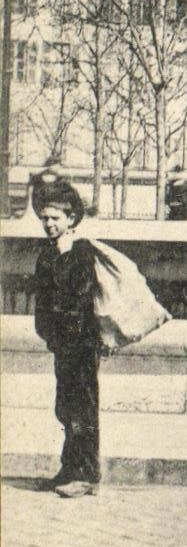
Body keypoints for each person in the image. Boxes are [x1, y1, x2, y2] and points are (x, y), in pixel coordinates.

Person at [31, 178, 101, 497]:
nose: (49, 224)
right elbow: (43, 302)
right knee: (65, 407)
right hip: (62, 345)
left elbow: (80, 300)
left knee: (82, 406)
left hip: (82, 345)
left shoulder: (81, 253)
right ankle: (69, 467)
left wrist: (68, 334)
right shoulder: (47, 255)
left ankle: (87, 474)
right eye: (45, 218)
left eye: (55, 218)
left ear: (71, 218)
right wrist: (49, 335)